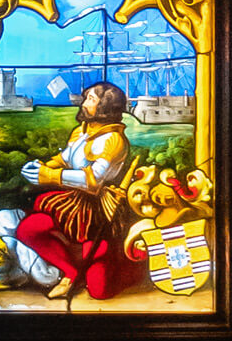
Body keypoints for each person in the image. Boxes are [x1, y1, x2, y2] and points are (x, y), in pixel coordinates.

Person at [13, 83, 141, 302]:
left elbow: (94, 181)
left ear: (105, 106)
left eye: (90, 99)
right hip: (71, 200)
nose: (83, 103)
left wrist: (50, 176)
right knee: (28, 230)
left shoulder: (114, 140)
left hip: (98, 208)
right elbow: (65, 158)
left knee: (99, 290)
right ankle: (72, 274)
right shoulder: (81, 131)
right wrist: (42, 166)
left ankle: (132, 269)